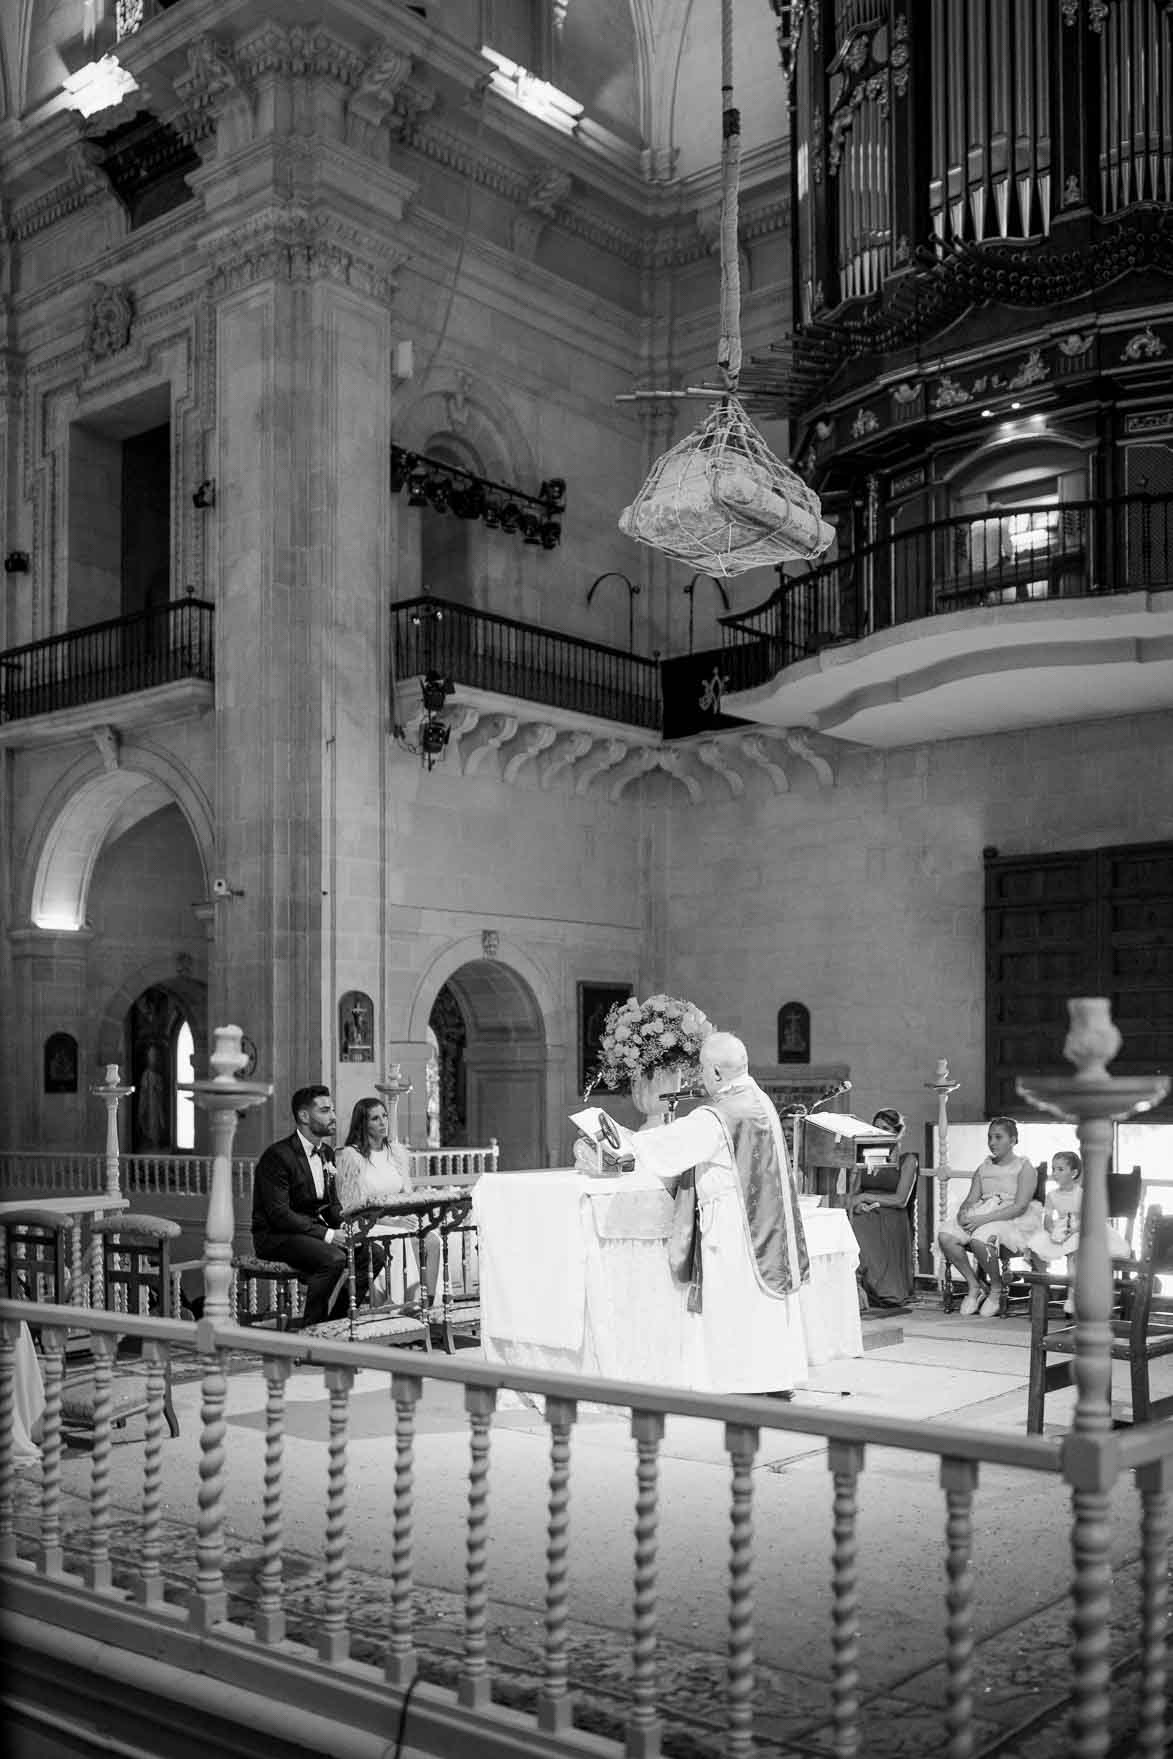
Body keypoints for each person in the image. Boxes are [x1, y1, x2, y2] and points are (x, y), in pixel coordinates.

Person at [587, 1030, 810, 1397]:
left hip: (733, 1225)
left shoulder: (720, 1115)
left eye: (703, 1070)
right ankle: (771, 1376)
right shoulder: (758, 1100)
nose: (699, 1078)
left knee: (735, 1303)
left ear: (718, 1073)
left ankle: (745, 1379)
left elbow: (671, 1147)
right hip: (760, 1221)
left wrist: (622, 1138)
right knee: (757, 1306)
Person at [251, 1085, 373, 1327]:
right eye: (325, 1111)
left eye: (333, 1110)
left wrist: (349, 1226)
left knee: (372, 1253)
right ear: (304, 1116)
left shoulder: (326, 1153)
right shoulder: (277, 1156)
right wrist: (328, 1235)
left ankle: (336, 1322)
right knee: (334, 1258)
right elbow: (279, 1214)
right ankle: (312, 1329)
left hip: (310, 1233)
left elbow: (331, 1206)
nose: (334, 1117)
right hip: (277, 1236)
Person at [334, 1096, 438, 1307]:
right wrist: (390, 1222)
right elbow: (351, 1207)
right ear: (363, 1123)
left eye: (385, 1116)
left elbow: (404, 1194)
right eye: (375, 1118)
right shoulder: (351, 1156)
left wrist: (408, 1215)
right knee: (399, 1236)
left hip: (399, 1218)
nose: (383, 1122)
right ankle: (396, 1309)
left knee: (433, 1240)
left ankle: (427, 1306)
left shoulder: (396, 1153)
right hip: (365, 1223)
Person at [937, 1115, 1044, 1318]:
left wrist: (981, 1221)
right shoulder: (983, 1167)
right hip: (982, 1212)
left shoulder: (1024, 1167)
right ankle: (974, 1286)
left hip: (1009, 1217)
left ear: (1012, 1141)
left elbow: (1020, 1206)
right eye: (990, 1137)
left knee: (980, 1239)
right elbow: (971, 1198)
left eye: (998, 1137)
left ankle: (996, 1289)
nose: (992, 1143)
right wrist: (964, 1213)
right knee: (946, 1235)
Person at [846, 1108, 918, 1313]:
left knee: (863, 1224)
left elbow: (900, 1199)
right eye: (875, 1127)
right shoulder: (868, 1155)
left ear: (897, 1133)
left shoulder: (907, 1160)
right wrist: (858, 1202)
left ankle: (876, 1288)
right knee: (854, 1220)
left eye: (885, 1129)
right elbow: (854, 1193)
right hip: (865, 1210)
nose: (878, 1132)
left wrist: (866, 1197)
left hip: (891, 1212)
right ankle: (855, 1289)